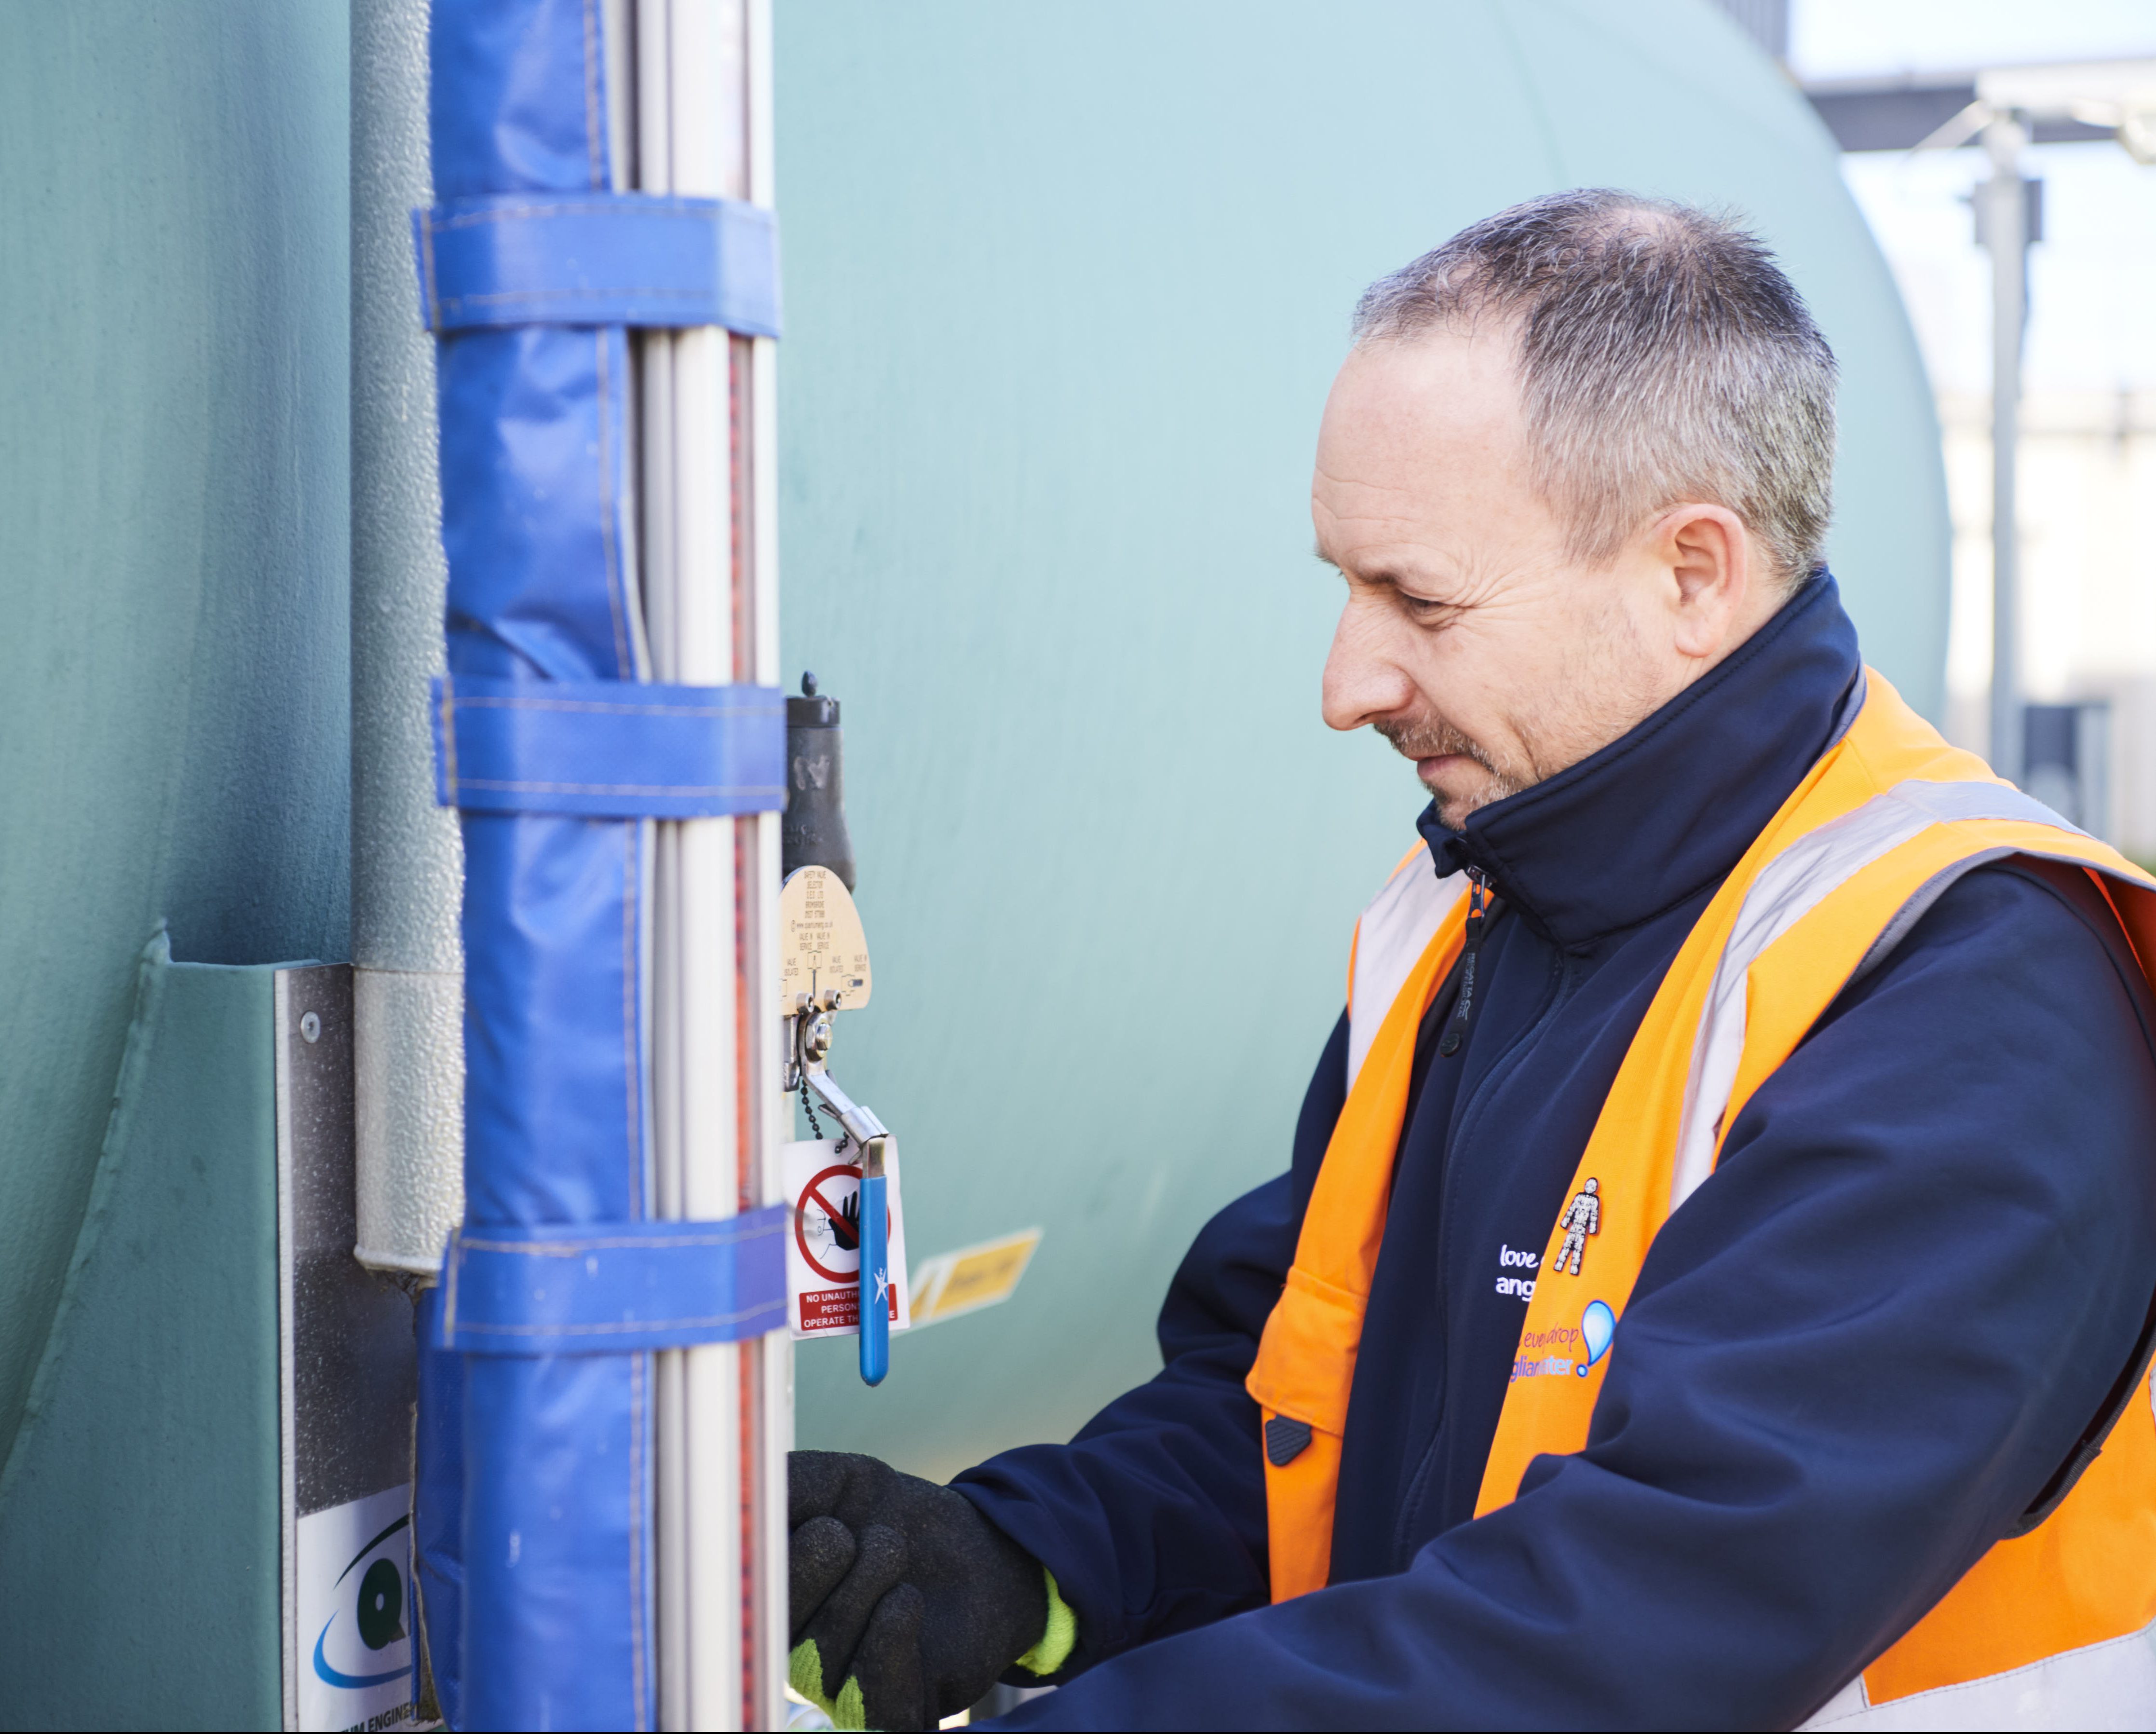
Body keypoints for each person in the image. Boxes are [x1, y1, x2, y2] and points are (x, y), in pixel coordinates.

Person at [784, 191, 2156, 1731]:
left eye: (1418, 599)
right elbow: (1295, 1404)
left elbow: (1620, 1635)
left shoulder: (1968, 1002)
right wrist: (1023, 1560)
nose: (1345, 681)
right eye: (1343, 585)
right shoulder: (1470, 911)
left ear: (1692, 574)